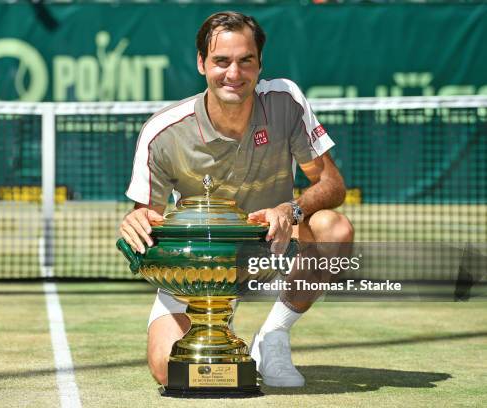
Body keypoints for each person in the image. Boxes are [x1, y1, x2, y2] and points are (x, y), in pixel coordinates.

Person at [119, 11, 353, 387]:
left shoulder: (285, 100)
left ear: (260, 65)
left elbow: (332, 184)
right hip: (199, 267)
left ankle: (273, 336)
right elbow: (148, 218)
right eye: (221, 61)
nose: (234, 73)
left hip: (270, 251)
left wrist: (288, 210)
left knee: (333, 228)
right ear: (201, 63)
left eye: (246, 61)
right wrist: (137, 221)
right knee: (170, 370)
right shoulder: (161, 133)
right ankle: (213, 327)